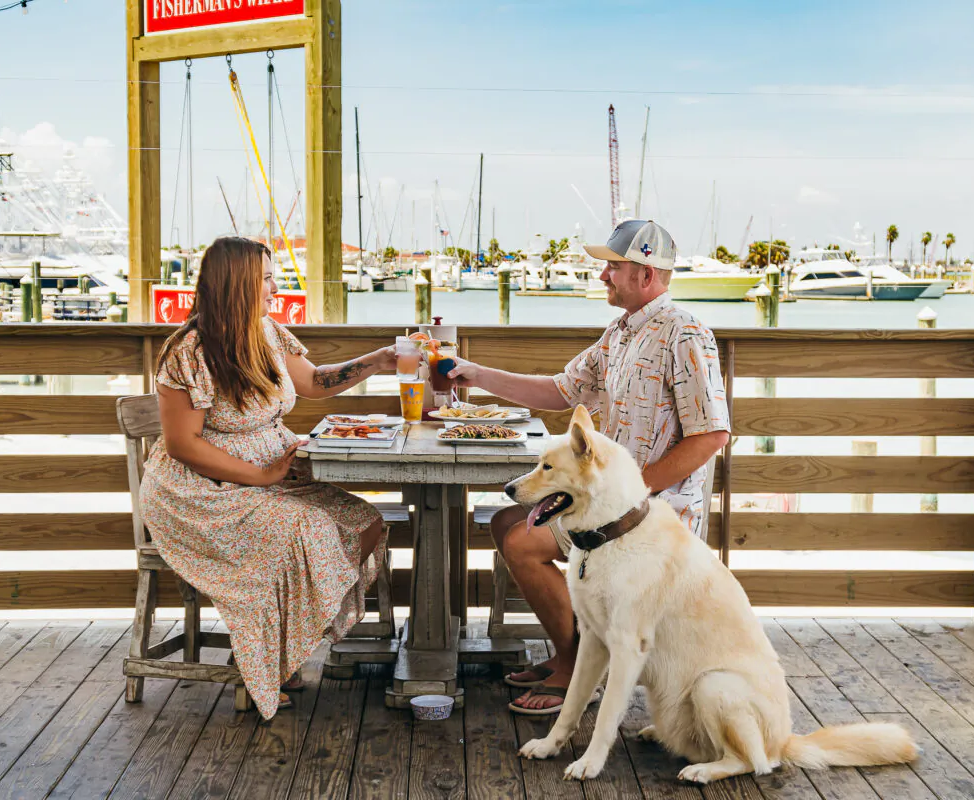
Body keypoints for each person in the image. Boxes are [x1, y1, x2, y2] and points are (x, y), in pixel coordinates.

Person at [448, 219, 731, 715]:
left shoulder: (686, 332)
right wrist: (474, 374)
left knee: (520, 540)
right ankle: (571, 654)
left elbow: (712, 434)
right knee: (506, 522)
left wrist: (635, 492)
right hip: (606, 505)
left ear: (645, 274)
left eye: (613, 267)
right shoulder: (620, 333)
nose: (603, 275)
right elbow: (559, 391)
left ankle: (577, 667)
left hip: (649, 516)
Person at [140, 236, 397, 718]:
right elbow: (183, 445)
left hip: (271, 476)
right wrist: (259, 476)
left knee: (364, 522)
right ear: (237, 285)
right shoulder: (189, 351)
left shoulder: (269, 333)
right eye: (265, 278)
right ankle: (267, 659)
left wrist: (378, 361)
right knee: (308, 530)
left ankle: (282, 646)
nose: (274, 287)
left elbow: (316, 382)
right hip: (200, 492)